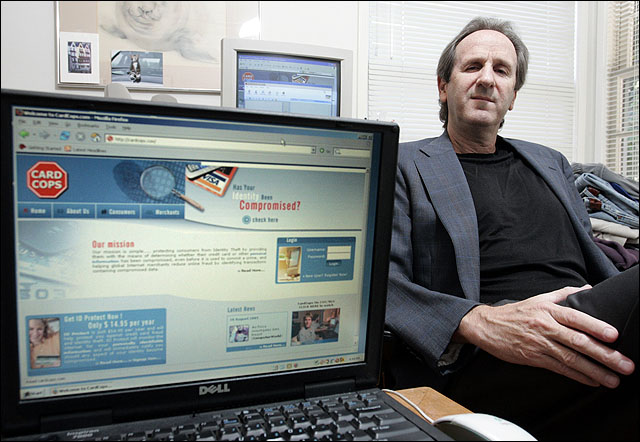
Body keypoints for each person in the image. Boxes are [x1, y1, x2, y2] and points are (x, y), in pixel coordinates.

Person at [384, 16, 639, 440]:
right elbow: (379, 285)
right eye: (472, 66)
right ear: (443, 86)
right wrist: (478, 321)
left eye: (502, 70)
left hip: (587, 322)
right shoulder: (402, 164)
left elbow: (593, 256)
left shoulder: (550, 162)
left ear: (513, 95)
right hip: (487, 357)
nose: (487, 79)